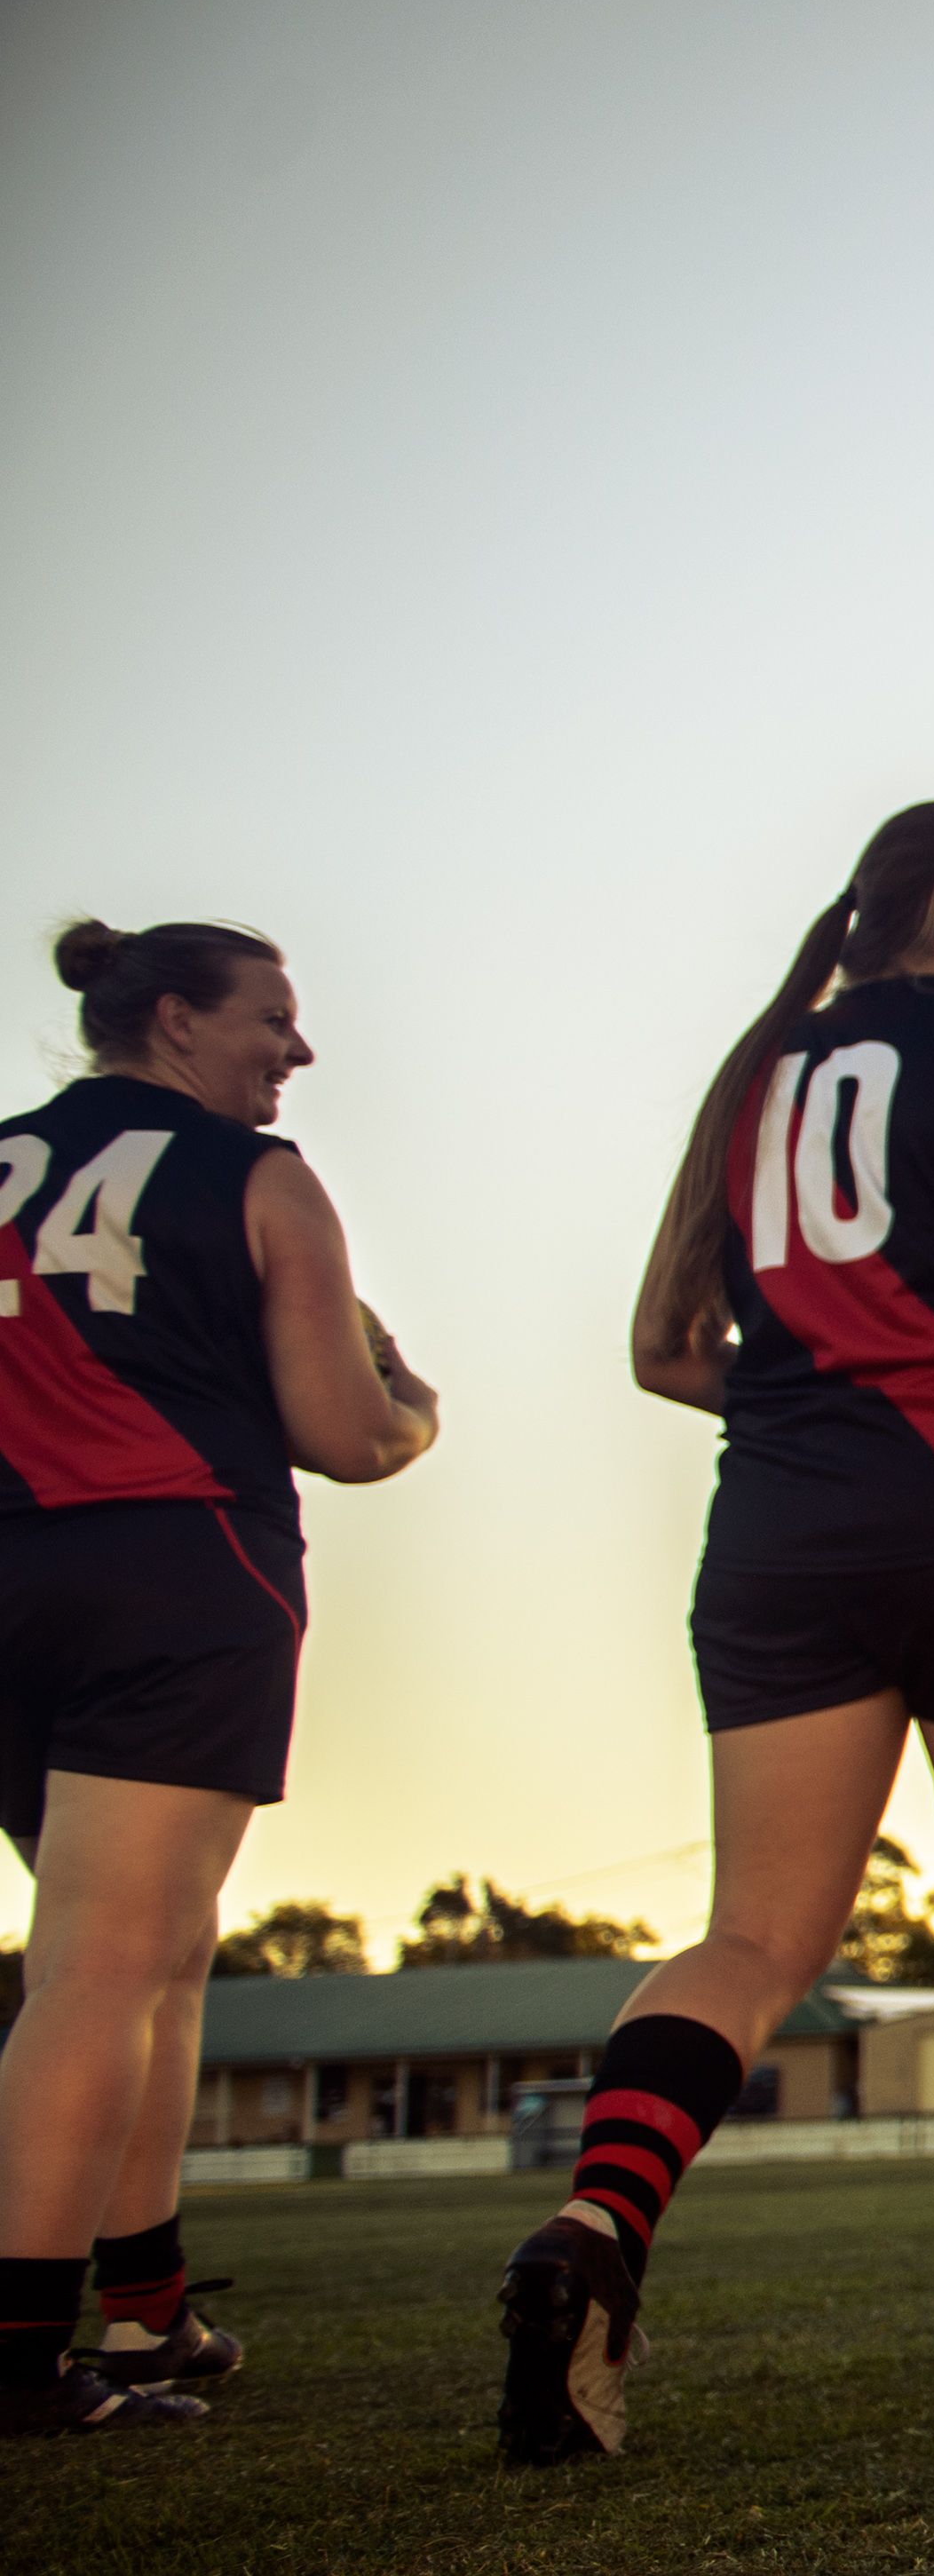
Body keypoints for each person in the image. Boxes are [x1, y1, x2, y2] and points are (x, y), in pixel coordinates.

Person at [495, 803, 934, 2466]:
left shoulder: (756, 1078)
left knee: (754, 1943)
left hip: (779, 1535)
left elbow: (663, 1344)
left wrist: (819, 1398)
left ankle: (599, 2235)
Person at [0, 919, 439, 2433]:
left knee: (154, 1954)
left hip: (13, 1580)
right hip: (178, 1579)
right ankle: (21, 2355)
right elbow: (346, 1433)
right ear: (177, 1020)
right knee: (103, 1970)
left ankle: (146, 2309)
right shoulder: (262, 1177)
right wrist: (415, 1408)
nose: (299, 1051)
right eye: (275, 1019)